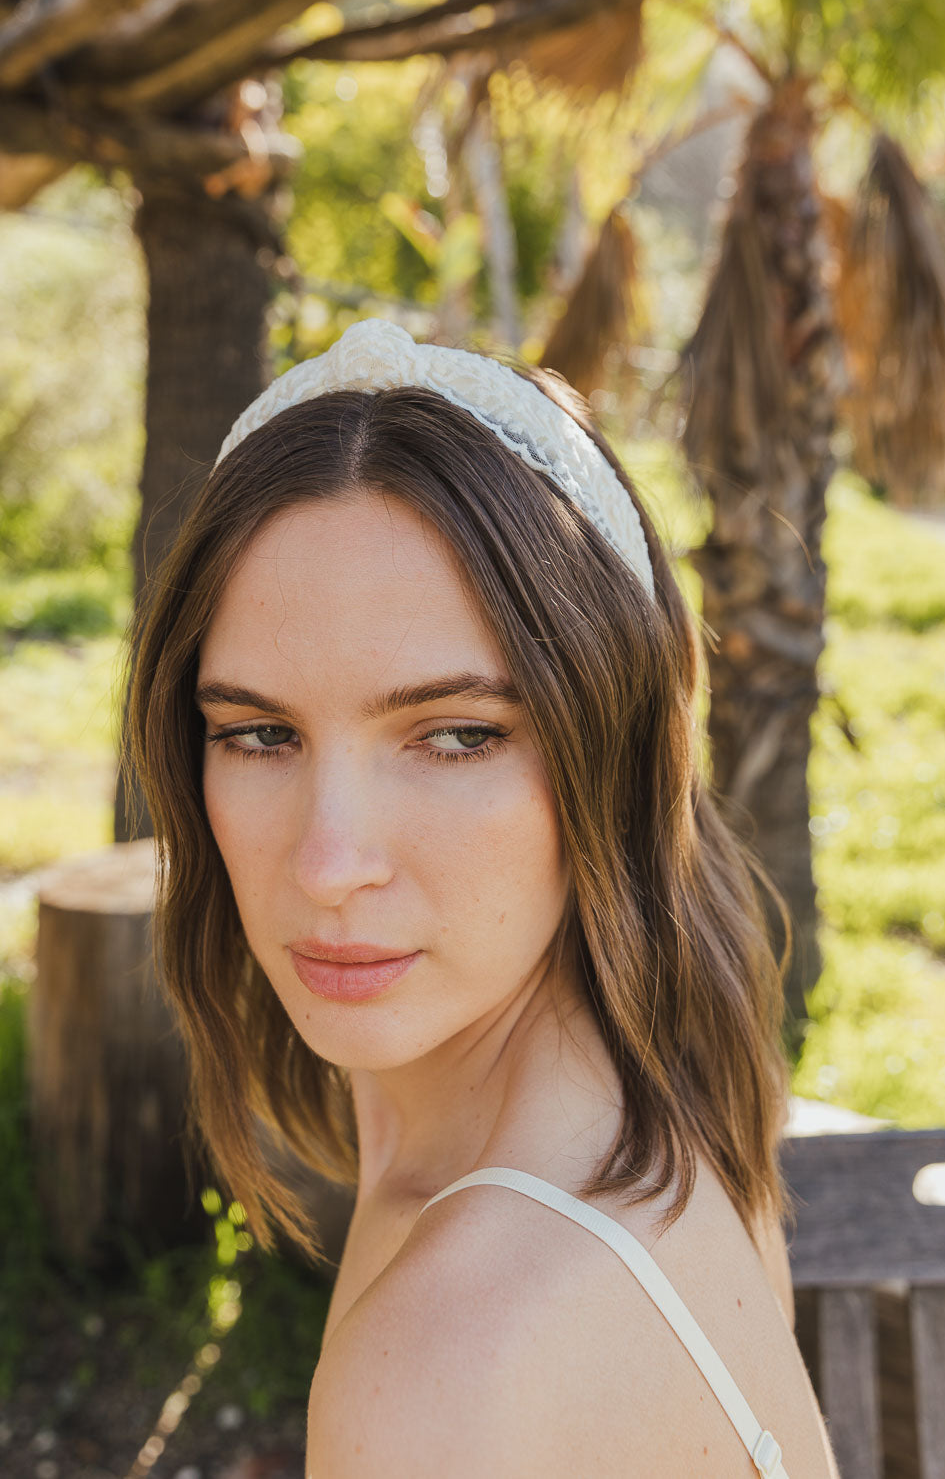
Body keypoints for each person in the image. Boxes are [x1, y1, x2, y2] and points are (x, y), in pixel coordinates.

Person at [125, 318, 840, 1478]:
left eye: (456, 735)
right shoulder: (662, 1090)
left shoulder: (449, 1365)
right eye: (258, 733)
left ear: (608, 743)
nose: (328, 863)